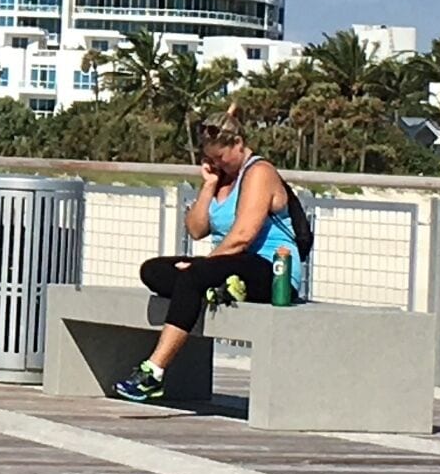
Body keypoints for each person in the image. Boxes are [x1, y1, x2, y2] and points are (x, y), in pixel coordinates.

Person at [112, 118, 306, 404]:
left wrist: (201, 267)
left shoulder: (259, 172)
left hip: (271, 268)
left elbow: (243, 236)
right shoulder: (221, 178)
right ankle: (220, 287)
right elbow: (196, 229)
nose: (217, 163)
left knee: (192, 276)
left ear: (238, 144)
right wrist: (209, 185)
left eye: (220, 158)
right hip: (228, 263)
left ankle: (153, 372)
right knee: (154, 271)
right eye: (209, 158)